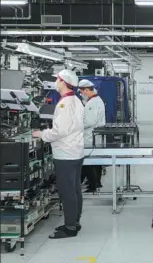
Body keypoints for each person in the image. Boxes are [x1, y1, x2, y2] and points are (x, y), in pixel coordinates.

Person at [32, 69, 84, 239]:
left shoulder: (64, 104)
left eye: (57, 79)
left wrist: (41, 134)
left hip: (65, 153)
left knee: (67, 191)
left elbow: (59, 131)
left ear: (62, 82)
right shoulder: (76, 100)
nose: (56, 82)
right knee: (75, 189)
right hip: (75, 152)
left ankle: (70, 227)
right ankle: (74, 221)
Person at [78, 80, 106, 192]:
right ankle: (96, 183)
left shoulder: (93, 103)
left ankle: (93, 185)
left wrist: (76, 126)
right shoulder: (95, 101)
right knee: (95, 161)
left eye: (81, 91)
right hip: (94, 135)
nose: (81, 94)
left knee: (88, 162)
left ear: (86, 90)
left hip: (90, 136)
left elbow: (89, 121)